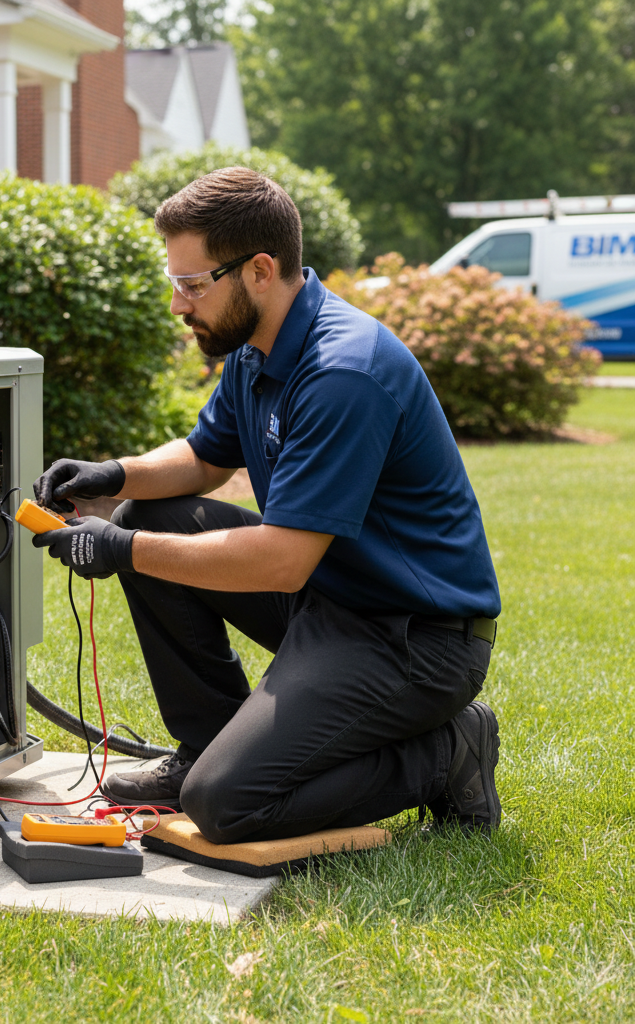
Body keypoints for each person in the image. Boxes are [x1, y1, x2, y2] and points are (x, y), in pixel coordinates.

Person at [32, 167, 502, 845]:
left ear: (259, 269)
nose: (178, 305)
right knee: (145, 515)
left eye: (192, 286)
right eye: (176, 284)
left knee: (226, 806)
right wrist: (114, 476)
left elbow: (281, 561)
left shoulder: (343, 372)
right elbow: (203, 458)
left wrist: (119, 550)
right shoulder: (257, 348)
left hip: (415, 640)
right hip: (334, 602)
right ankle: (206, 743)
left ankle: (446, 753)